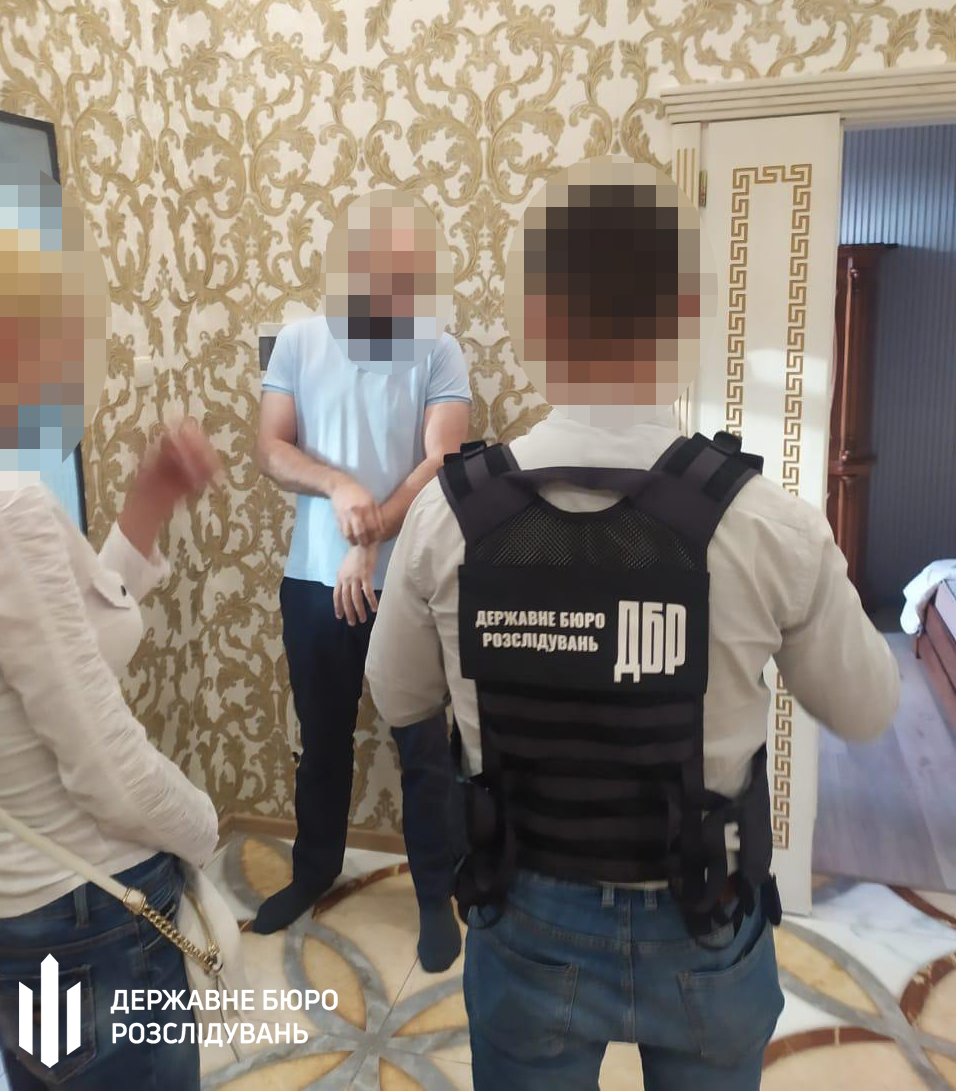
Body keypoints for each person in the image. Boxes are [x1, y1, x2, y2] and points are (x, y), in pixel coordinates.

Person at [366, 156, 901, 1089]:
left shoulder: (447, 517)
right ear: (687, 315)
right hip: (704, 913)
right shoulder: (764, 523)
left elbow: (397, 696)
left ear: (534, 322)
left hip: (523, 909)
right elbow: (867, 707)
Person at [253, 191, 471, 973]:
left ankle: (435, 896)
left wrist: (373, 535)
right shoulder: (299, 342)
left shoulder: (439, 349)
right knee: (323, 743)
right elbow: (272, 449)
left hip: (410, 584)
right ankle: (314, 870)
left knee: (424, 747)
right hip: (315, 581)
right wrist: (342, 487)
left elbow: (444, 461)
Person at [0, 421, 223, 1090]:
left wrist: (149, 501)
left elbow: (51, 649)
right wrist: (201, 832)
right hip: (89, 915)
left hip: (25, 912)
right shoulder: (9, 508)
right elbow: (112, 777)